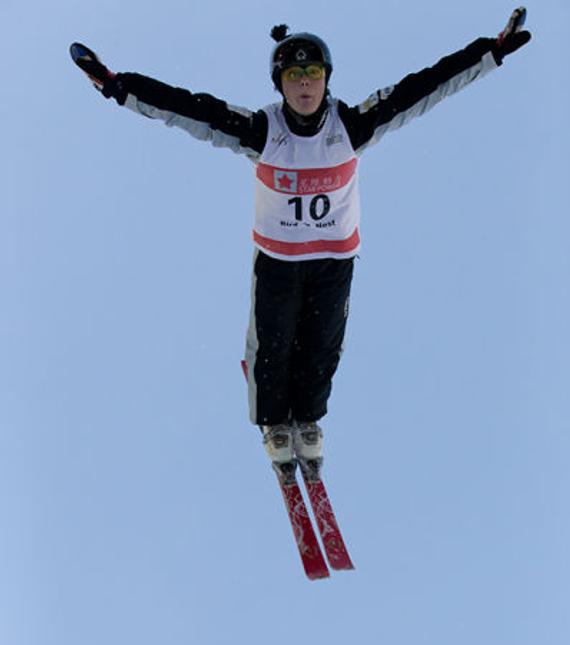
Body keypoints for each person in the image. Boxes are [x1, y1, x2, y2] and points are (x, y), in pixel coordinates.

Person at [70, 10, 531, 466]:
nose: (305, 84)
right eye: (294, 75)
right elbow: (187, 108)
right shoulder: (262, 130)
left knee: (322, 343)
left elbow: (424, 87)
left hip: (334, 258)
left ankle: (308, 420)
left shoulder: (350, 127)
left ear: (327, 79)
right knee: (273, 343)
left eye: (313, 73)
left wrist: (489, 52)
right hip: (279, 259)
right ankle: (274, 422)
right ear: (281, 84)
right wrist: (116, 84)